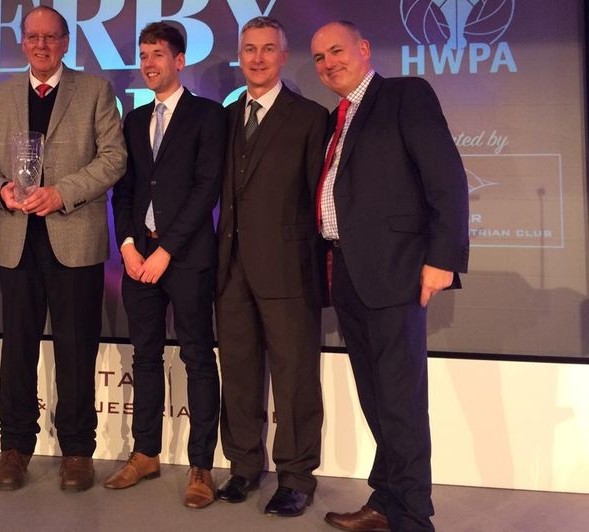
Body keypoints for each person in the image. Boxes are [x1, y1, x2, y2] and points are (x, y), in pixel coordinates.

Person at [309, 21, 469, 531]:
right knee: (377, 399)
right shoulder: (337, 117)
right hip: (350, 273)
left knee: (399, 401)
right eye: (318, 57)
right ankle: (385, 503)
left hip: (397, 272)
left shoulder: (404, 95)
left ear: (363, 49)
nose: (329, 62)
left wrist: (442, 258)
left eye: (337, 50)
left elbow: (447, 178)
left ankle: (414, 518)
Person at [0, 5, 126, 492]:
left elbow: (114, 158)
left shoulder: (96, 91)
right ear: (22, 43)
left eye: (51, 38)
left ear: (65, 42)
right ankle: (15, 446)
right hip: (17, 241)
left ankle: (78, 450)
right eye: (32, 37)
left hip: (74, 238)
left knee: (76, 349)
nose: (41, 45)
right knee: (17, 349)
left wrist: (63, 192)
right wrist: (1, 191)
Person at [106, 22, 225, 509]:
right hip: (139, 258)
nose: (149, 63)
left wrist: (165, 250)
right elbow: (126, 189)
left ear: (180, 60)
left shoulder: (208, 116)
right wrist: (130, 245)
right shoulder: (133, 120)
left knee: (197, 356)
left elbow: (206, 190)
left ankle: (201, 466)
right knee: (145, 357)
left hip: (186, 257)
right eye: (143, 54)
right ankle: (146, 452)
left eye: (158, 54)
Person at [213, 17, 328, 517]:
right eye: (248, 49)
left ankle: (297, 476)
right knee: (237, 372)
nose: (256, 58)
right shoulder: (226, 115)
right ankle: (242, 467)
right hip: (230, 268)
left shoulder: (309, 116)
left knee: (295, 377)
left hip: (288, 268)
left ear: (283, 56)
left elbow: (319, 198)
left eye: (267, 50)